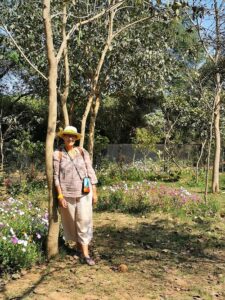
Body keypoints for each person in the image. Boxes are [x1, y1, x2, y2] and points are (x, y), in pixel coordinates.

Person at [53, 125, 98, 266]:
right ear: (63, 137)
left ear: (76, 138)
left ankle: (85, 254)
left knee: (84, 220)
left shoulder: (82, 152)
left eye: (73, 136)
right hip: (67, 193)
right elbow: (56, 177)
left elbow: (90, 172)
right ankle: (79, 248)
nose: (70, 138)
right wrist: (60, 196)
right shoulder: (58, 154)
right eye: (67, 135)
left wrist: (94, 192)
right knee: (71, 222)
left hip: (85, 192)